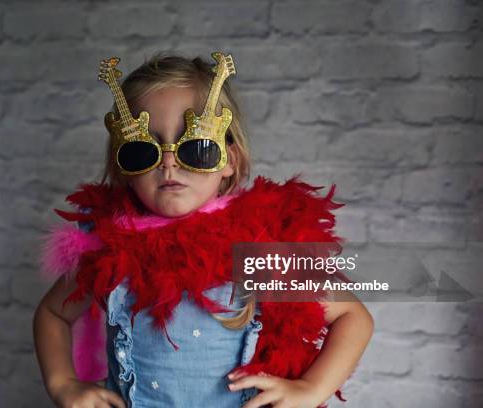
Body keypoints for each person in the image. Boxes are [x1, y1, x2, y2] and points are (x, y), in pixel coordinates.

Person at [33, 52, 374, 408]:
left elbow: (352, 316)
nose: (168, 163)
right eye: (141, 151)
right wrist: (64, 385)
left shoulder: (256, 247)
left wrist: (310, 389)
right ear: (122, 168)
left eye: (195, 148)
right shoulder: (107, 248)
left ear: (230, 161)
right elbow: (53, 313)